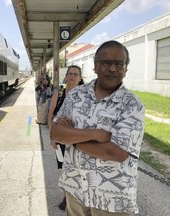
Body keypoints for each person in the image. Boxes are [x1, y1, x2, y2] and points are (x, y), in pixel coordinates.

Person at [50, 40, 145, 216]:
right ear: (95, 66)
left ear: (125, 69)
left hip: (111, 199)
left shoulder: (133, 105)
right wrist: (96, 134)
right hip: (75, 188)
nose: (113, 68)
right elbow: (56, 133)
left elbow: (116, 153)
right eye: (106, 62)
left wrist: (74, 141)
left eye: (119, 64)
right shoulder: (76, 95)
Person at [48, 65, 84, 210]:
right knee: (64, 167)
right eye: (70, 73)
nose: (72, 76)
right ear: (66, 76)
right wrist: (53, 136)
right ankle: (66, 196)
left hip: (78, 137)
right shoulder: (60, 92)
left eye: (76, 74)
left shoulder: (85, 94)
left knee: (77, 166)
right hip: (61, 136)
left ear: (80, 78)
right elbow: (51, 115)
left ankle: (75, 196)